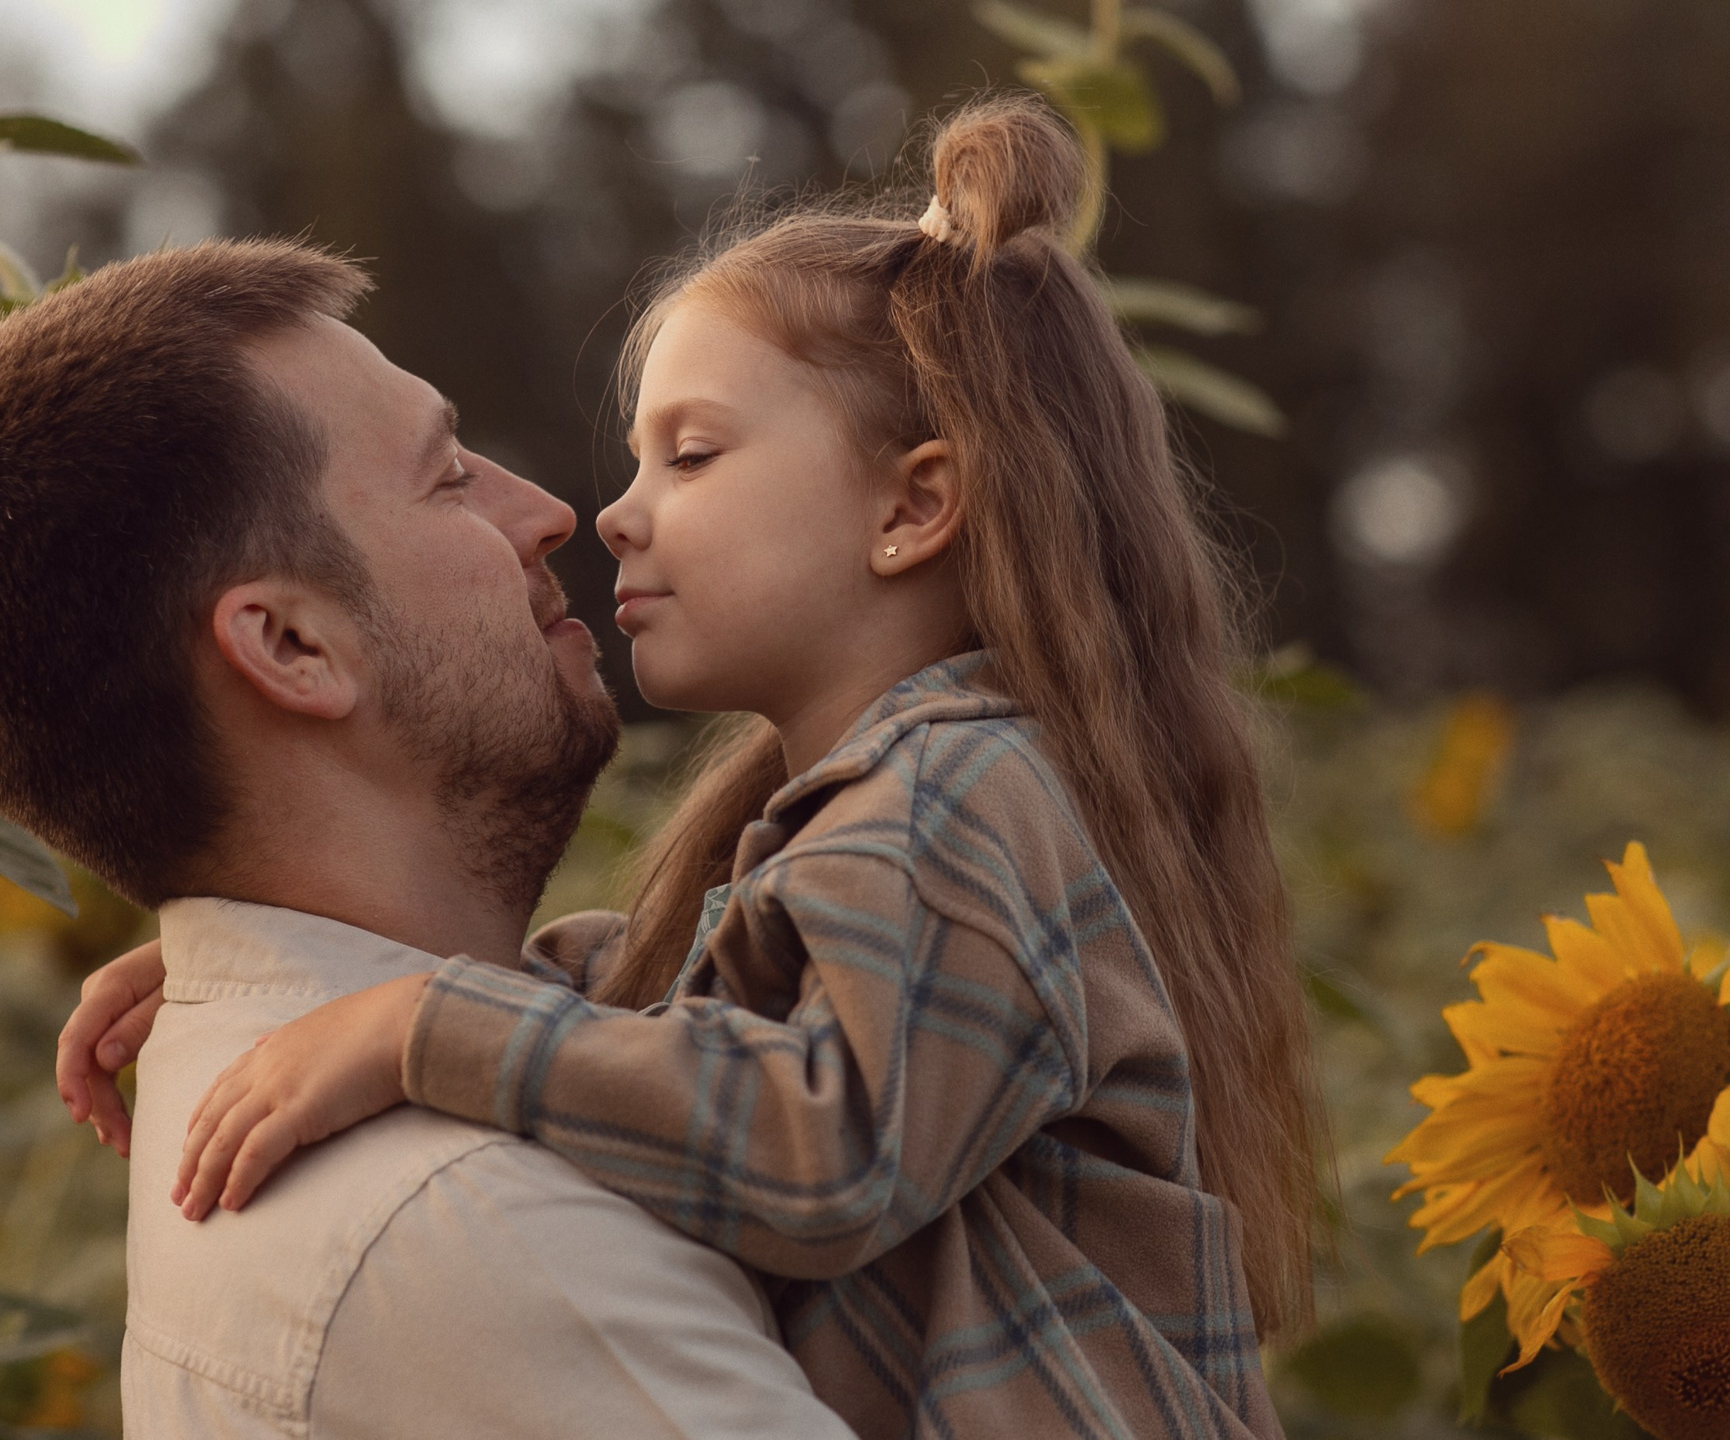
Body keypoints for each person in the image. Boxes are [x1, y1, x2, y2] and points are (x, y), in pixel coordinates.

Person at [64, 95, 1320, 1439]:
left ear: (912, 506)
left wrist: (419, 1026)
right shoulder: (895, 805)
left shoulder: (958, 803)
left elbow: (825, 1147)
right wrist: (290, 960)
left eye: (693, 454)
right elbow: (715, 1019)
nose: (612, 514)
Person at [0, 239, 855, 1438]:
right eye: (448, 480)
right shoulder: (482, 1233)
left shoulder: (252, 1071)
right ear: (291, 648)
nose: (550, 516)